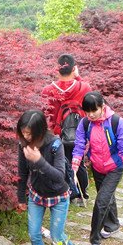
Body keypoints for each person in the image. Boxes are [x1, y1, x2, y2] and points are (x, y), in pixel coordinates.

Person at [71, 92, 123, 245]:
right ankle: (113, 225)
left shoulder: (116, 121)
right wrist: (74, 170)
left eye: (94, 110)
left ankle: (95, 238)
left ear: (102, 106)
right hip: (97, 166)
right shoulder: (85, 123)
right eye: (87, 111)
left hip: (115, 167)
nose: (91, 115)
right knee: (107, 197)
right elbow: (79, 146)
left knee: (101, 201)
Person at [16, 110, 75, 245]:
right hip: (36, 195)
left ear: (40, 131)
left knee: (56, 236)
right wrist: (21, 198)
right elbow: (22, 173)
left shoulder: (55, 144)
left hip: (59, 196)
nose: (26, 136)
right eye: (23, 132)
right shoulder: (23, 145)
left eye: (29, 133)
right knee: (34, 233)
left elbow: (59, 176)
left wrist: (39, 160)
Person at [41, 53, 92, 207]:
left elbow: (45, 114)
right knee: (78, 162)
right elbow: (90, 100)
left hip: (56, 134)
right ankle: (81, 195)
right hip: (78, 132)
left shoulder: (48, 90)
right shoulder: (83, 87)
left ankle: (64, 194)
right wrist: (78, 76)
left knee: (59, 163)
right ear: (74, 68)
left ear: (57, 69)